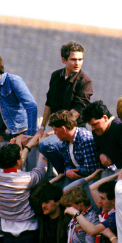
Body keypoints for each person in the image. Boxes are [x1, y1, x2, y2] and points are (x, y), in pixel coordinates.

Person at [37, 42, 93, 176]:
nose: (77, 63)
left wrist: (57, 129)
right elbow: (49, 103)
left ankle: (65, 173)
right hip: (56, 128)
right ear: (64, 60)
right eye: (73, 59)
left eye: (80, 59)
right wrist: (42, 128)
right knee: (38, 140)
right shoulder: (55, 76)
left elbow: (77, 111)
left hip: (73, 131)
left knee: (46, 145)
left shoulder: (85, 82)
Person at [0, 55, 38, 148]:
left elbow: (32, 105)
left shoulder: (13, 80)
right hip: (11, 134)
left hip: (23, 131)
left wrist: (30, 134)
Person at [39, 109, 99, 187]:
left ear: (64, 129)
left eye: (56, 130)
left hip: (92, 181)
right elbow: (67, 163)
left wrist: (71, 172)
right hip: (79, 179)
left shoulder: (85, 139)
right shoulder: (65, 141)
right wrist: (67, 171)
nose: (55, 133)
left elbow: (91, 168)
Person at [82, 100, 122, 172]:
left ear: (105, 118)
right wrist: (100, 155)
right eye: (91, 125)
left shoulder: (120, 127)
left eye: (95, 124)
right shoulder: (97, 131)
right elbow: (97, 148)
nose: (93, 129)